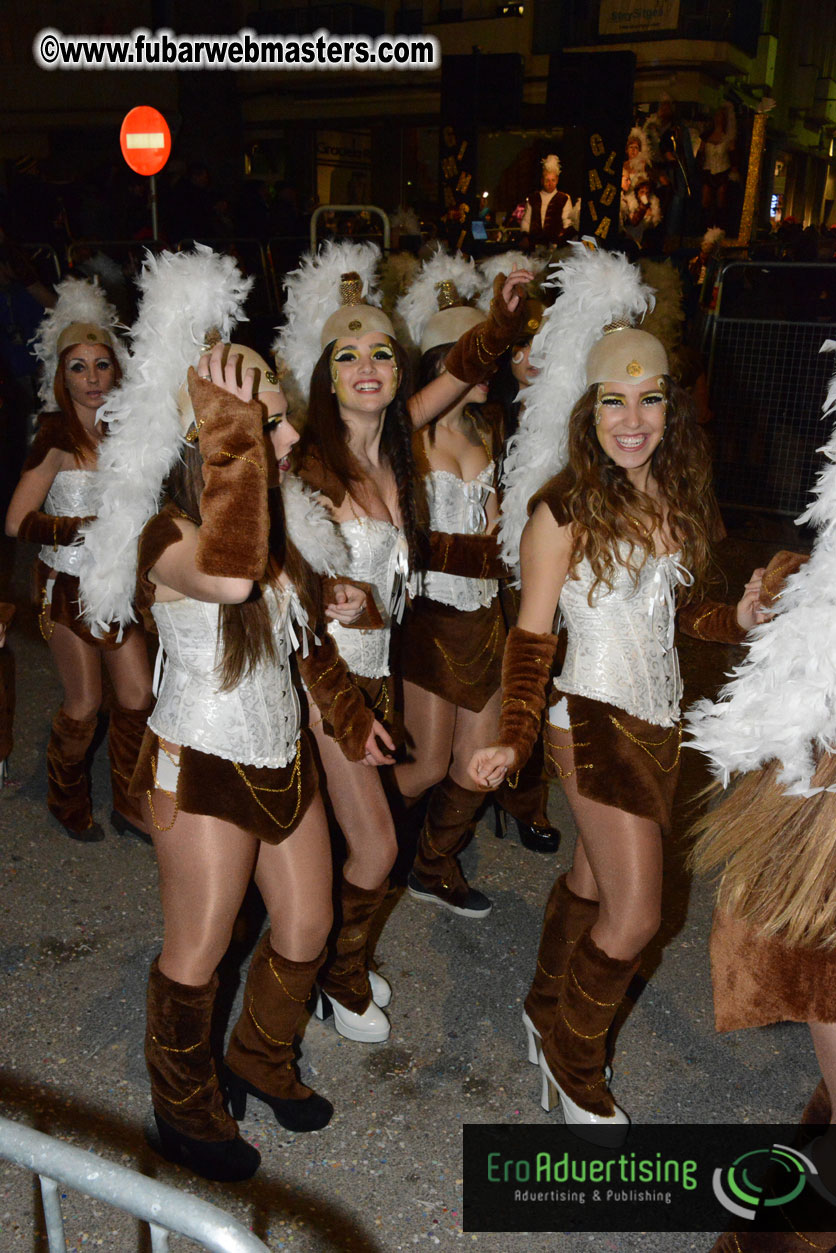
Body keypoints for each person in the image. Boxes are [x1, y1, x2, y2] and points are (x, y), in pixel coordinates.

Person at [79, 246, 394, 1182]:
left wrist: (348, 715)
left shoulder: (278, 519)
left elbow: (299, 642)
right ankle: (181, 1106)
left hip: (279, 752)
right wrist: (236, 434)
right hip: (202, 756)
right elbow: (226, 573)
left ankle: (258, 1054)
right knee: (202, 943)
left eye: (283, 424)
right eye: (273, 427)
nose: (292, 441)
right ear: (212, 436)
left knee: (306, 924)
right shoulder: (164, 534)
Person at [469, 245, 764, 1138]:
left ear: (672, 408)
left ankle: (541, 1002)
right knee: (638, 915)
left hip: (659, 718)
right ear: (586, 411)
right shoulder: (557, 515)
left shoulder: (676, 493)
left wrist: (738, 617)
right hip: (589, 718)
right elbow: (532, 640)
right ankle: (574, 1057)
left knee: (594, 881)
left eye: (649, 400)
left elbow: (676, 618)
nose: (631, 420)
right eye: (613, 402)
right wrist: (517, 740)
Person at [276, 241, 534, 1038]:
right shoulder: (314, 462)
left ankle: (326, 964)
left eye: (382, 353)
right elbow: (279, 568)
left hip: (380, 674)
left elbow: (458, 371)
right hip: (326, 688)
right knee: (377, 848)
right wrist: (328, 594)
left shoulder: (394, 452)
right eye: (346, 355)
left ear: (399, 371)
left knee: (365, 845)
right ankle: (336, 975)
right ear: (325, 376)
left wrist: (500, 322)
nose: (366, 365)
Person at [5, 278, 152, 842]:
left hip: (121, 589)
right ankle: (67, 797)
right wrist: (87, 530)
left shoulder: (133, 436)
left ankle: (129, 800)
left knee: (138, 696)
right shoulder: (56, 436)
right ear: (60, 378)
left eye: (101, 365)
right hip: (67, 588)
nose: (92, 379)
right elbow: (17, 522)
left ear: (117, 371)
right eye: (78, 368)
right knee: (85, 702)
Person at [519, 154, 574, 248]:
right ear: (542, 180)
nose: (550, 183)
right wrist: (525, 237)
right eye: (547, 180)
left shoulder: (564, 199)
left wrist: (562, 240)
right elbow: (526, 221)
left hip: (556, 247)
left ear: (557, 180)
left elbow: (567, 223)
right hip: (535, 246)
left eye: (553, 180)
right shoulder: (533, 198)